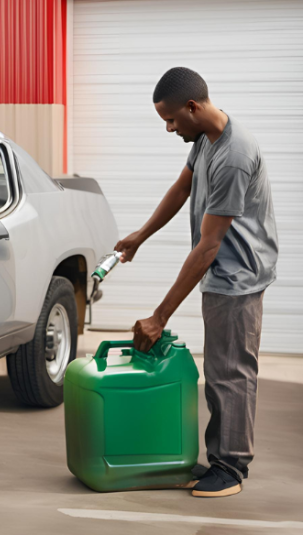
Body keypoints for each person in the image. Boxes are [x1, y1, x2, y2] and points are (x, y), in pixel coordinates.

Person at [114, 67, 278, 498]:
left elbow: (208, 247)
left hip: (237, 276)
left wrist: (159, 316)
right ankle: (221, 460)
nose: (169, 128)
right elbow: (181, 187)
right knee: (220, 370)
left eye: (171, 120)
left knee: (231, 374)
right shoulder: (204, 139)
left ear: (192, 106)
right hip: (223, 271)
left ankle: (232, 469)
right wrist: (140, 235)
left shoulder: (235, 154)